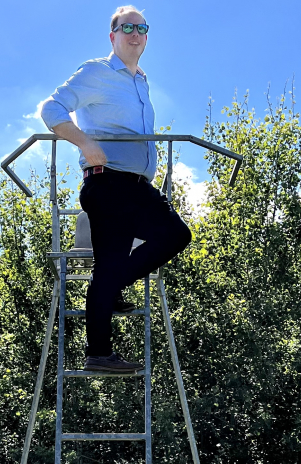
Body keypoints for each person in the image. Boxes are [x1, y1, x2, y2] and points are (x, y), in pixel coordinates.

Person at [40, 6, 191, 372]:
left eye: (142, 28)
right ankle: (100, 345)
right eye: (127, 28)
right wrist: (85, 144)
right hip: (109, 182)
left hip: (134, 185)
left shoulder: (141, 80)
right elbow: (51, 108)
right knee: (168, 238)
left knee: (156, 245)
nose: (135, 34)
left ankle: (106, 303)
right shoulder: (98, 72)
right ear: (113, 36)